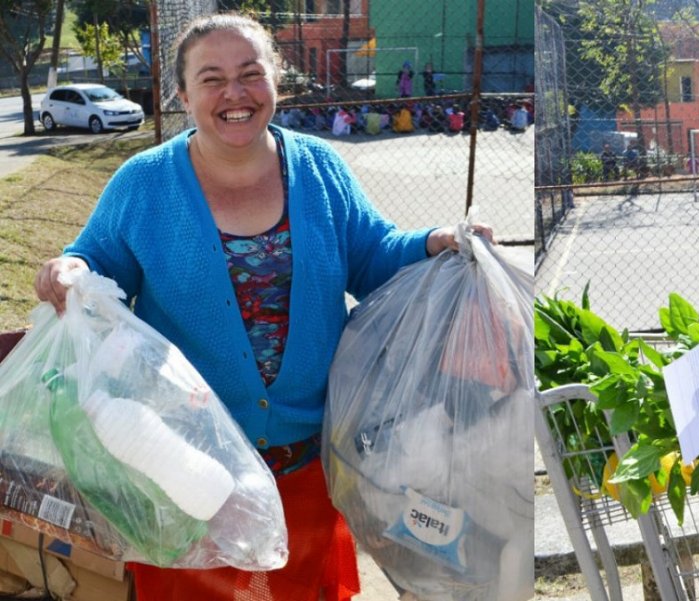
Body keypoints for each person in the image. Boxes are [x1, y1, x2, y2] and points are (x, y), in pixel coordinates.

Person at [33, 14, 492, 601]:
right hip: (184, 475)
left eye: (251, 74)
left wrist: (434, 241)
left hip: (305, 471)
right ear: (181, 94)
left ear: (276, 80)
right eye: (212, 79)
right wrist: (68, 270)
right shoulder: (143, 184)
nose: (235, 95)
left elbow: (373, 254)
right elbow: (94, 263)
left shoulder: (321, 170)